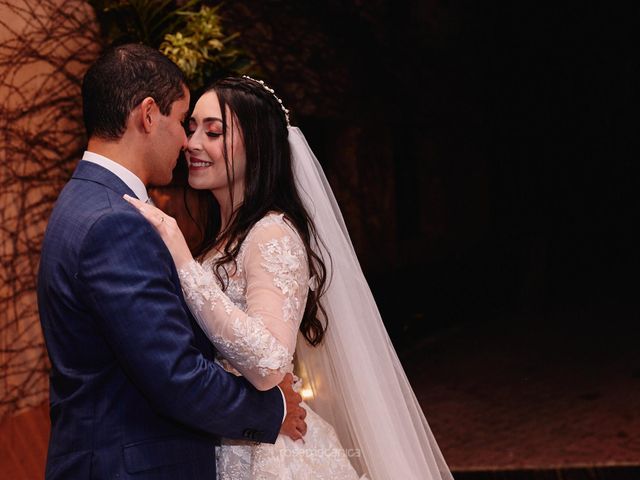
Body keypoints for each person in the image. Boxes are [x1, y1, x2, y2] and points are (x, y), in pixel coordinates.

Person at [126, 76, 454, 479]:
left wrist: (183, 264)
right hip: (229, 436)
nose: (192, 143)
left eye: (213, 132)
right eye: (191, 128)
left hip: (267, 456)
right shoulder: (224, 237)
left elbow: (268, 363)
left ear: (260, 146)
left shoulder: (271, 233)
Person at [36, 45, 306, 480]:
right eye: (184, 122)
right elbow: (175, 375)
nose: (187, 141)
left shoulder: (87, 201)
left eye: (210, 131)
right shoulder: (113, 222)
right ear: (147, 115)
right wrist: (273, 408)